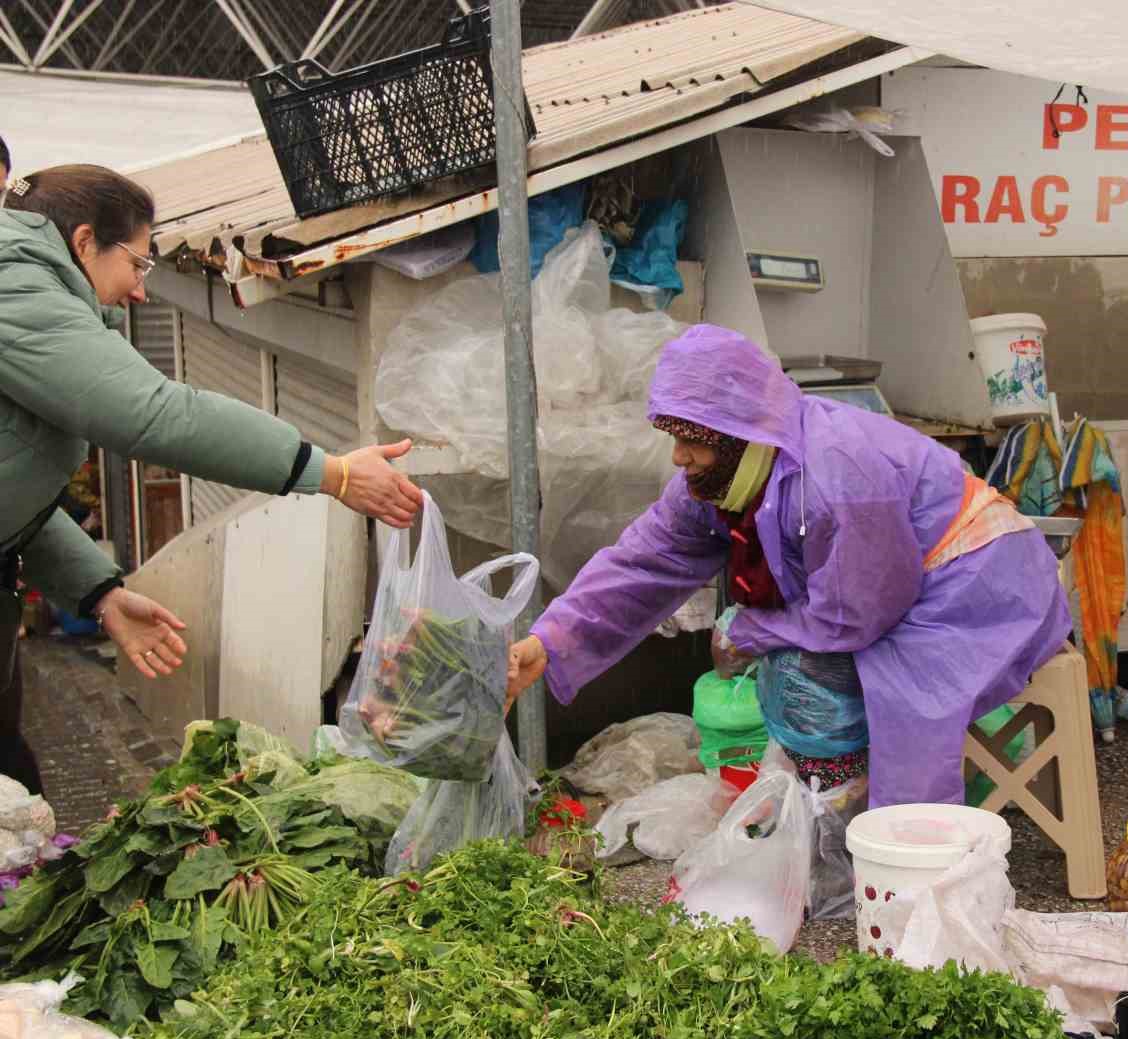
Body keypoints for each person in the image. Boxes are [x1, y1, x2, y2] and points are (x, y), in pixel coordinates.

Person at [506, 324, 1071, 808]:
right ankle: (827, 820)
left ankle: (901, 866)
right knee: (799, 673)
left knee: (884, 700)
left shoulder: (839, 478)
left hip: (975, 587)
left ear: (735, 434)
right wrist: (547, 641)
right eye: (674, 438)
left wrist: (751, 628)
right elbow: (643, 561)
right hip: (891, 589)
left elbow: (856, 616)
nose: (679, 457)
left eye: (689, 440)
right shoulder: (722, 473)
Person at [1, 164, 425, 795]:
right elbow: (154, 415)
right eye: (139, 264)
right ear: (85, 241)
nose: (142, 292)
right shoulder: (17, 288)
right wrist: (330, 473)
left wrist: (98, 593)